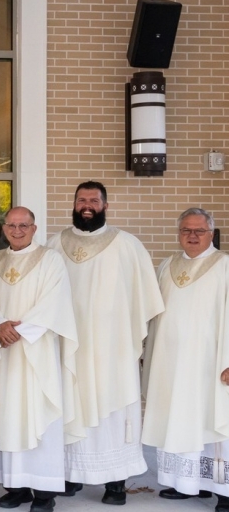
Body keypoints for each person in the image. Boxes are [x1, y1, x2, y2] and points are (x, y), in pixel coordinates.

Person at [46, 181, 163, 505]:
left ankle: (115, 481)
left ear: (105, 206)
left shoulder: (128, 245)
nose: (87, 205)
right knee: (71, 405)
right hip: (67, 346)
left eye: (94, 200)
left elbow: (145, 298)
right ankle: (71, 474)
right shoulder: (55, 244)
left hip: (112, 349)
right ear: (73, 203)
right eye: (81, 199)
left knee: (113, 410)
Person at [0, 207, 78, 512]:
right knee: (10, 416)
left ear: (34, 228)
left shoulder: (51, 259)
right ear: (4, 228)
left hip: (36, 351)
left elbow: (55, 301)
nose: (17, 230)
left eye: (24, 225)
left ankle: (45, 492)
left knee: (39, 415)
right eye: (12, 225)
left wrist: (18, 330)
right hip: (5, 353)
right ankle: (16, 486)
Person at [142, 208, 229, 511]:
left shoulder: (225, 266)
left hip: (210, 363)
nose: (192, 236)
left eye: (199, 231)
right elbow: (153, 315)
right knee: (178, 417)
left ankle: (223, 490)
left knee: (212, 420)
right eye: (186, 231)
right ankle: (187, 483)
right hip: (171, 362)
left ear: (211, 233)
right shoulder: (167, 265)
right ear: (178, 233)